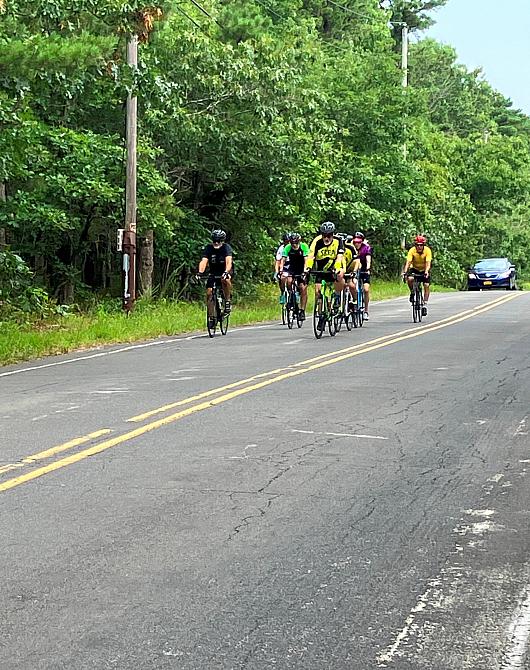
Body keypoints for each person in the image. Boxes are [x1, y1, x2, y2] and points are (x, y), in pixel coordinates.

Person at [304, 221, 345, 309]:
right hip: (321, 268)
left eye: (329, 235)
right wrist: (308, 267)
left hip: (333, 266)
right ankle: (320, 314)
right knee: (318, 293)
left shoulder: (338, 241)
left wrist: (337, 268)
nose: (326, 238)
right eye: (324, 235)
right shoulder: (317, 241)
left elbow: (339, 256)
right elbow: (311, 256)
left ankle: (337, 296)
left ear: (333, 234)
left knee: (340, 274)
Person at [197, 230, 233, 325]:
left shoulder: (226, 248)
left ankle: (227, 301)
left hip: (224, 271)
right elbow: (204, 261)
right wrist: (200, 272)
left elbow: (229, 261)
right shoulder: (209, 248)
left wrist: (226, 271)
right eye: (214, 241)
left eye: (219, 241)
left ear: (222, 241)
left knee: (225, 279)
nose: (216, 243)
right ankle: (211, 317)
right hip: (213, 272)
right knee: (209, 293)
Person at [279, 232, 309, 320]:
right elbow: (283, 260)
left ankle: (302, 310)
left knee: (303, 288)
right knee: (288, 281)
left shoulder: (304, 246)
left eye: (296, 243)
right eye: (292, 243)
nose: (294, 245)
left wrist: (305, 271)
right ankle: (291, 298)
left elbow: (306, 260)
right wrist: (281, 270)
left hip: (302, 268)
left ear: (299, 242)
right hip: (292, 268)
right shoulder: (288, 248)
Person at [402, 234, 432, 316]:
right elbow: (408, 262)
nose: (419, 247)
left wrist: (426, 271)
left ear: (423, 245)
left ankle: (425, 304)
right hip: (414, 268)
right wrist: (405, 272)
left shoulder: (427, 251)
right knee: (410, 279)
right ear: (415, 245)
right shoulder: (412, 250)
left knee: (426, 285)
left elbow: (428, 263)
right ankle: (412, 292)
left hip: (424, 269)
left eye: (421, 245)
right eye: (417, 245)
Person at [351, 232, 372, 320]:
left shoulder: (366, 248)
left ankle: (366, 311)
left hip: (363, 269)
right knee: (353, 285)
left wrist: (367, 268)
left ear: (362, 242)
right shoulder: (350, 247)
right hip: (354, 269)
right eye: (355, 242)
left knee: (366, 289)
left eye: (359, 242)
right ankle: (353, 303)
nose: (357, 244)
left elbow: (368, 260)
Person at [342, 237, 361, 312]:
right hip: (340, 269)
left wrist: (354, 271)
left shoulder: (350, 248)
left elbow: (357, 261)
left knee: (351, 285)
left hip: (350, 268)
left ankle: (354, 300)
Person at [275, 232, 291, 303]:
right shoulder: (281, 249)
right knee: (281, 278)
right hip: (284, 265)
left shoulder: (295, 247)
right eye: (286, 242)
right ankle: (282, 293)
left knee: (293, 279)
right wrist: (277, 271)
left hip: (293, 264)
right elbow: (278, 261)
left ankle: (295, 293)